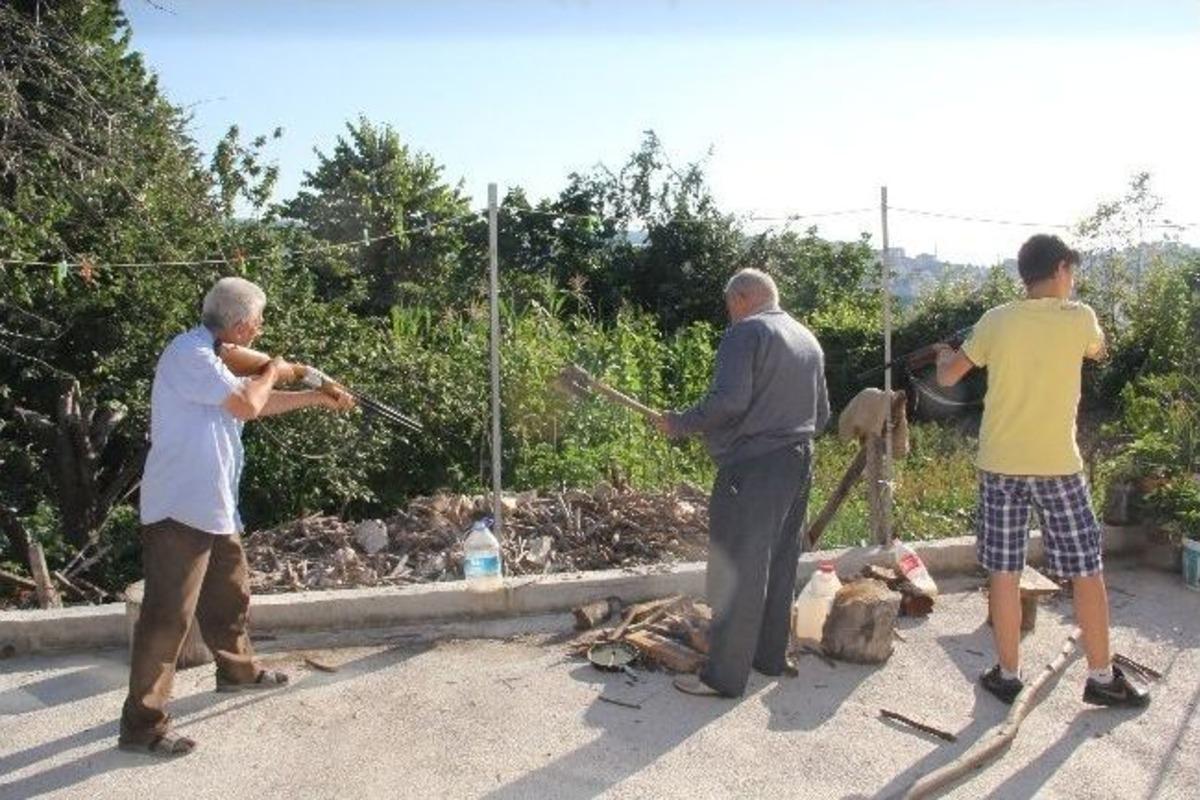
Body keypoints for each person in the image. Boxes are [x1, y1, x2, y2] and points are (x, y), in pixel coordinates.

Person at [119, 277, 356, 757]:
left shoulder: (213, 359)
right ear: (244, 324)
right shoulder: (190, 354)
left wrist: (315, 396)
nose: (261, 328)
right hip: (181, 508)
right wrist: (276, 369)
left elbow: (252, 404)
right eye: (259, 321)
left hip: (214, 505)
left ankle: (237, 671)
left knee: (230, 598)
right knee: (166, 618)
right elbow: (249, 402)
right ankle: (142, 726)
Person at [936, 234, 1149, 708]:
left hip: (1000, 465)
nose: (1072, 281)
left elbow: (948, 377)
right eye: (1071, 272)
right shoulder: (1080, 318)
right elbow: (1100, 350)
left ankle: (1008, 675)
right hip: (1058, 466)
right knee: (1087, 571)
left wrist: (944, 355)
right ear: (1059, 270)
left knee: (1004, 572)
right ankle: (1101, 677)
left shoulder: (995, 321)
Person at [655, 268, 830, 698]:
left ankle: (724, 677)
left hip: (755, 467)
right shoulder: (806, 338)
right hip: (799, 462)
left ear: (741, 299)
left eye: (729, 306)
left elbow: (729, 401)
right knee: (781, 561)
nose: (729, 315)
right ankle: (769, 657)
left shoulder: (746, 333)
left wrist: (681, 422)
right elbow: (823, 414)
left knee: (739, 567)